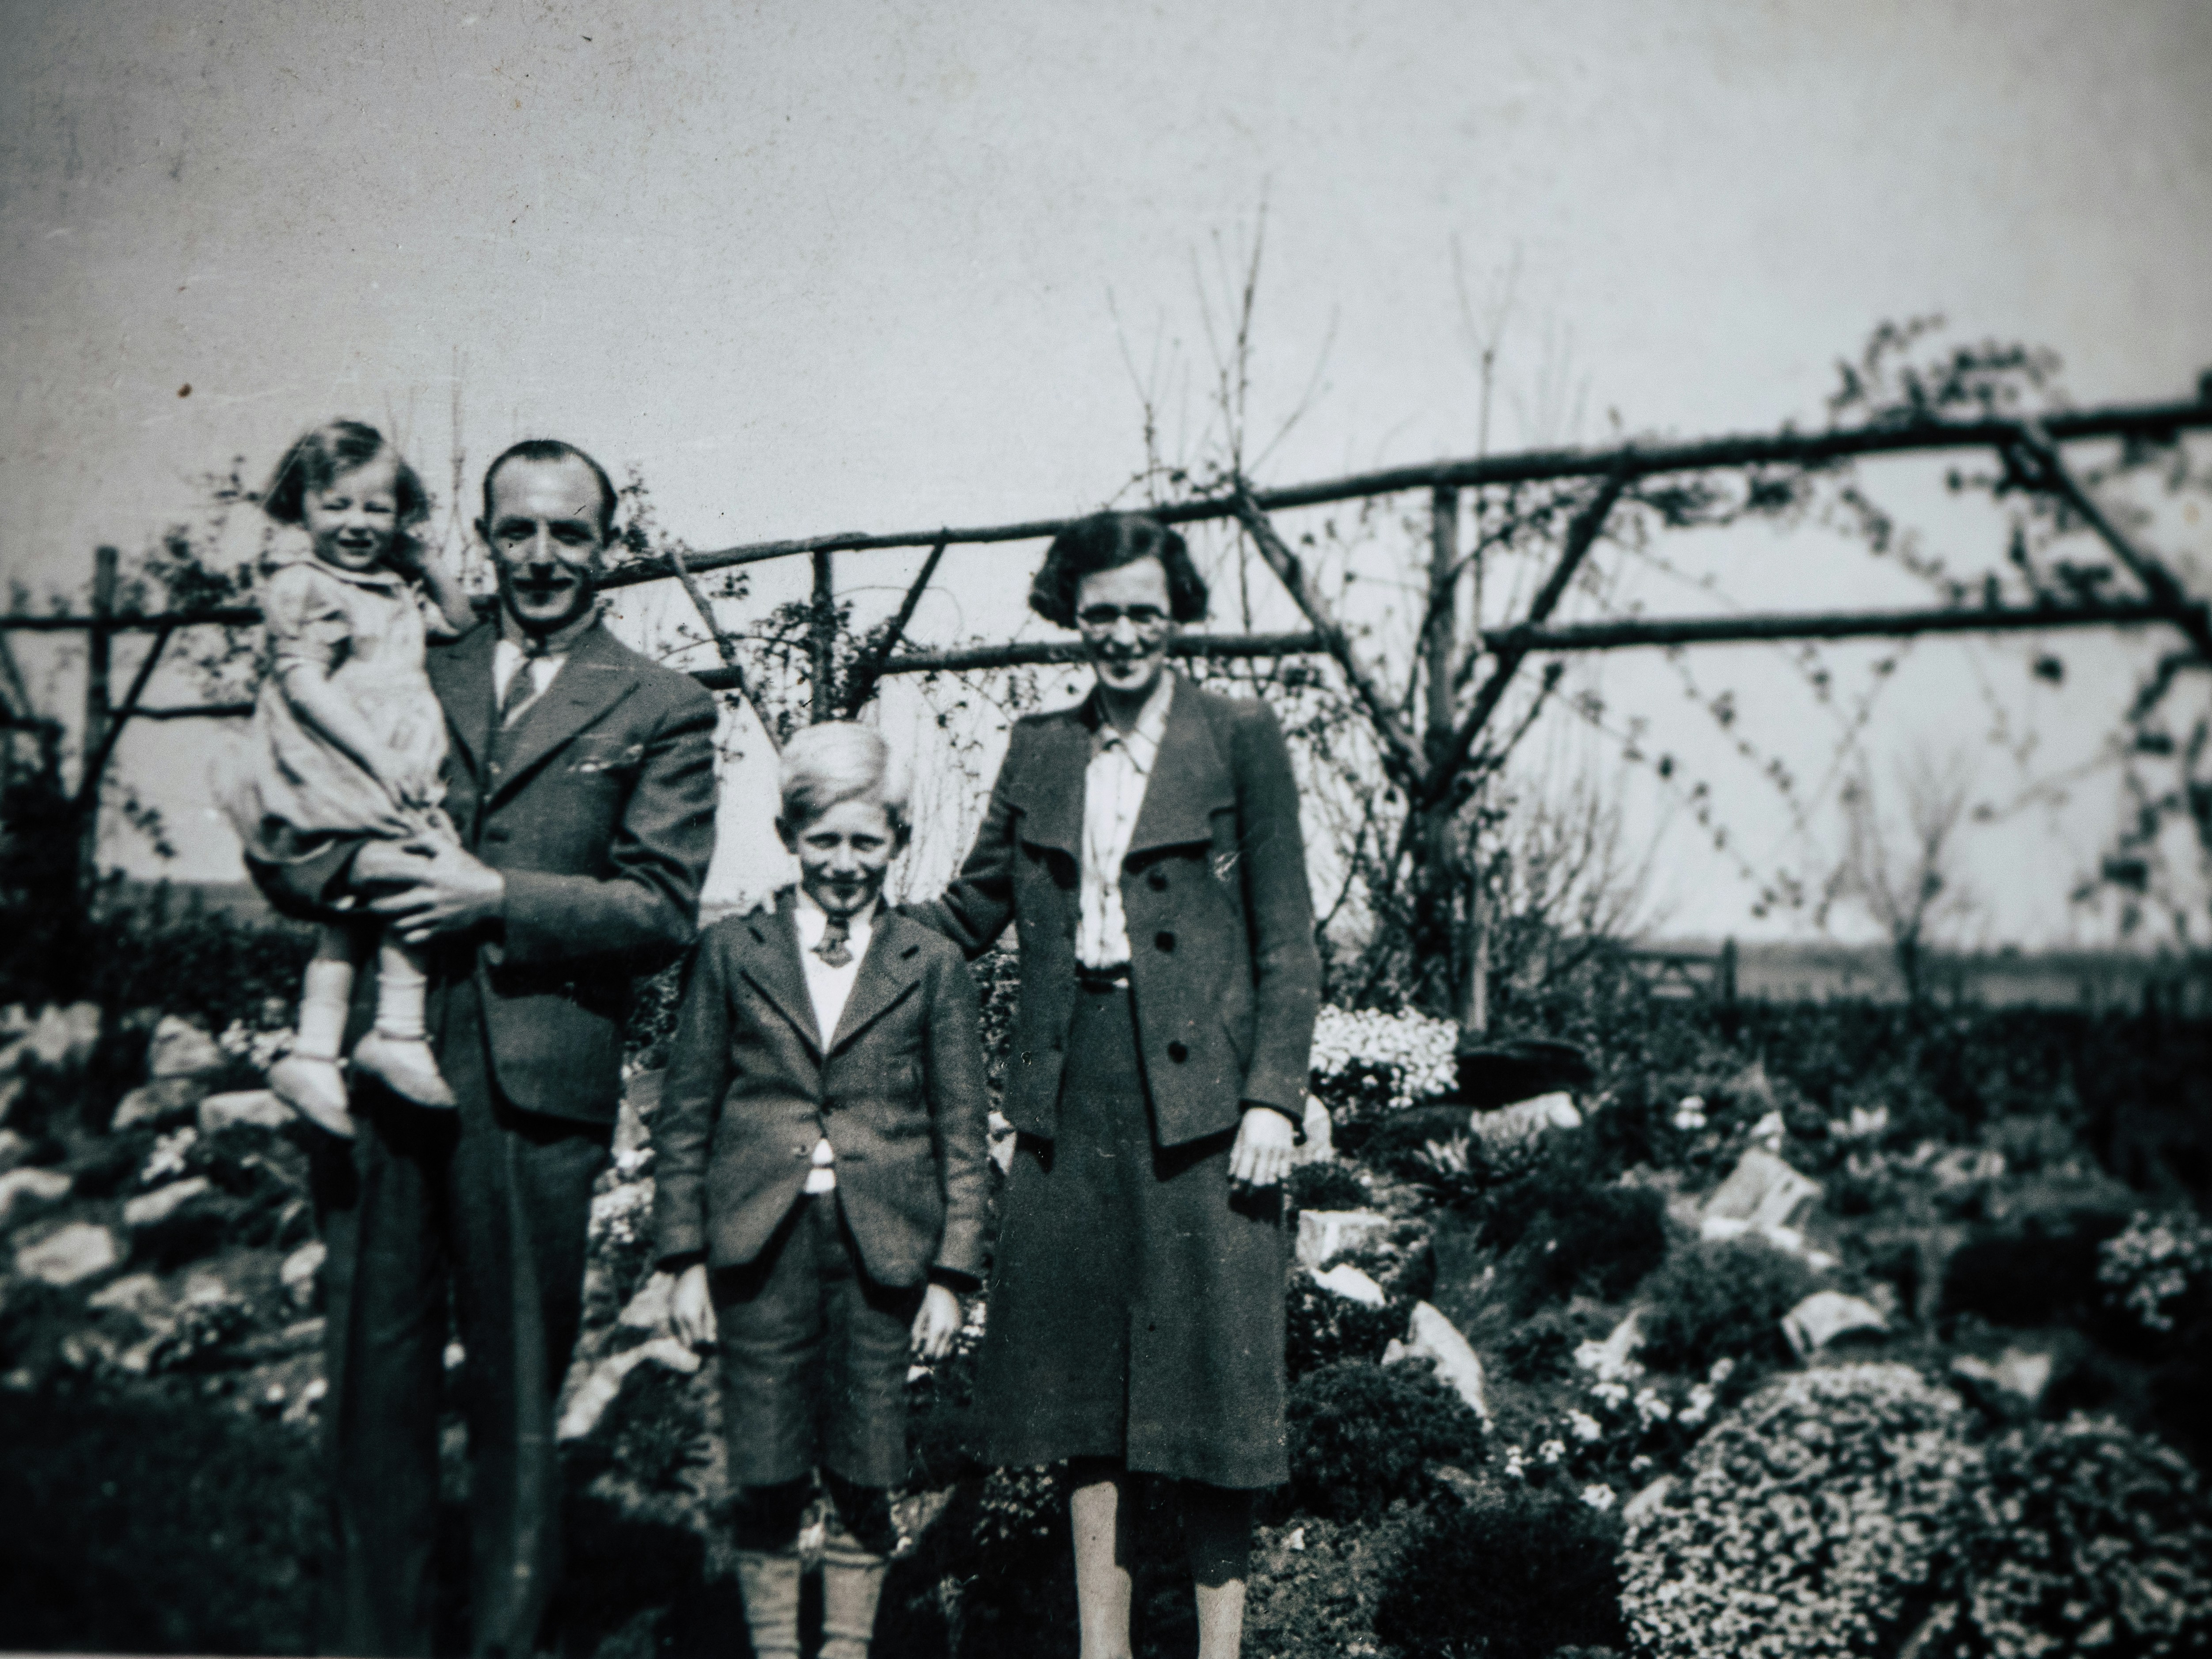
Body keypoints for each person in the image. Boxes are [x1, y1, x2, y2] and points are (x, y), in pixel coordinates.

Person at [244, 438, 720, 1659]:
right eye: (518, 530)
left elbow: (662, 907)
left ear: (606, 546)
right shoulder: (404, 647)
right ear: (484, 536)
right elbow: (293, 803)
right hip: (382, 1069)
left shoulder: (659, 703)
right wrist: (316, 864)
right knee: (372, 1383)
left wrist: (493, 894)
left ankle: (505, 1642)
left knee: (517, 1393)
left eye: (569, 532)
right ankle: (374, 1638)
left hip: (535, 1079)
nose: (543, 555)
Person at [908, 511, 1322, 1659]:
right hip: (1069, 1093)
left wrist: (1271, 1098)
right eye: (1101, 612)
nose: (1123, 632)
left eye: (1144, 608)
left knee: (1210, 1401)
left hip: (1204, 1108)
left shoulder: (1238, 737)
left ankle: (1218, 1650)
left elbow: (1286, 939)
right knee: (1085, 1401)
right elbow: (965, 910)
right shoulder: (1040, 745)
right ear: (1069, 617)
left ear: (1174, 611)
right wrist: (836, 947)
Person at [654, 721, 989, 1659]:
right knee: (762, 1471)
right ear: (788, 835)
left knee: (864, 1468)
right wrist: (683, 1260)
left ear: (897, 842)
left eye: (866, 842)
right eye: (825, 841)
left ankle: (844, 1649)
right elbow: (686, 1114)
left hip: (883, 1252)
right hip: (760, 1248)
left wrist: (951, 1274)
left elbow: (963, 1134)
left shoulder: (932, 966)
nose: (845, 863)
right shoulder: (731, 953)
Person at [225, 420, 478, 1135]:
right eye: (337, 505)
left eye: (378, 507)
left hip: (386, 770)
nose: (357, 523)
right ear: (301, 507)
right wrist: (377, 757)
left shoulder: (386, 586)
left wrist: (423, 561)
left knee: (352, 918)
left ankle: (316, 1051)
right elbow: (306, 687)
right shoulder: (308, 585)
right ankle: (394, 1033)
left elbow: (459, 622)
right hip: (338, 768)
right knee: (413, 873)